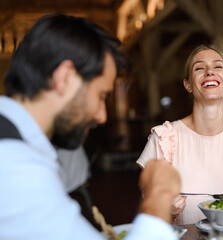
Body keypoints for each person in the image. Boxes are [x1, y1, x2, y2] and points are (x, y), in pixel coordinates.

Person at [0, 13, 181, 240]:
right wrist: (158, 196)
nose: (102, 116)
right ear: (65, 78)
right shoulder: (14, 167)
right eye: (101, 95)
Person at [136, 44, 223, 225]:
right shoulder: (163, 140)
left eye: (218, 66)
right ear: (187, 84)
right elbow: (147, 222)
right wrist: (167, 212)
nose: (210, 72)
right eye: (199, 68)